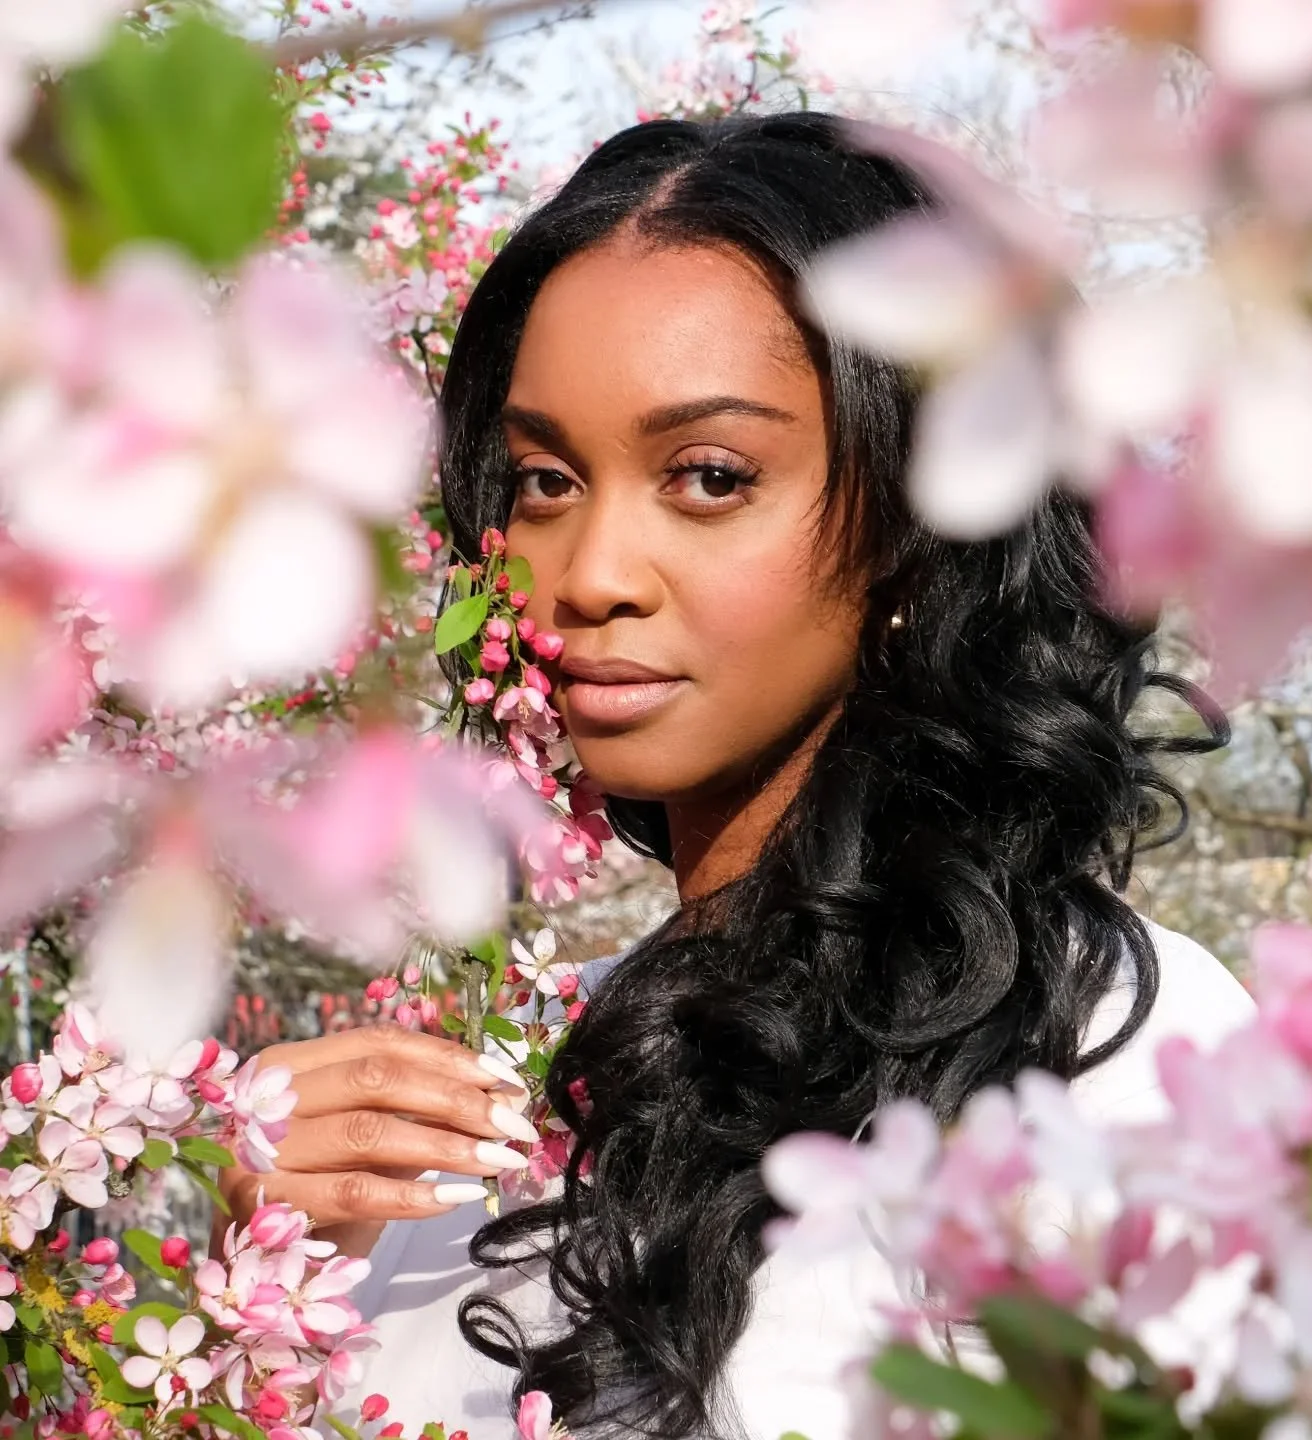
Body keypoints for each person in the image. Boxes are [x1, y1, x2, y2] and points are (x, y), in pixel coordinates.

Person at [220, 112, 1255, 1440]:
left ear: (917, 524)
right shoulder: (481, 1112)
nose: (589, 573)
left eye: (707, 477)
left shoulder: (1108, 1053)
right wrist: (269, 1266)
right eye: (542, 481)